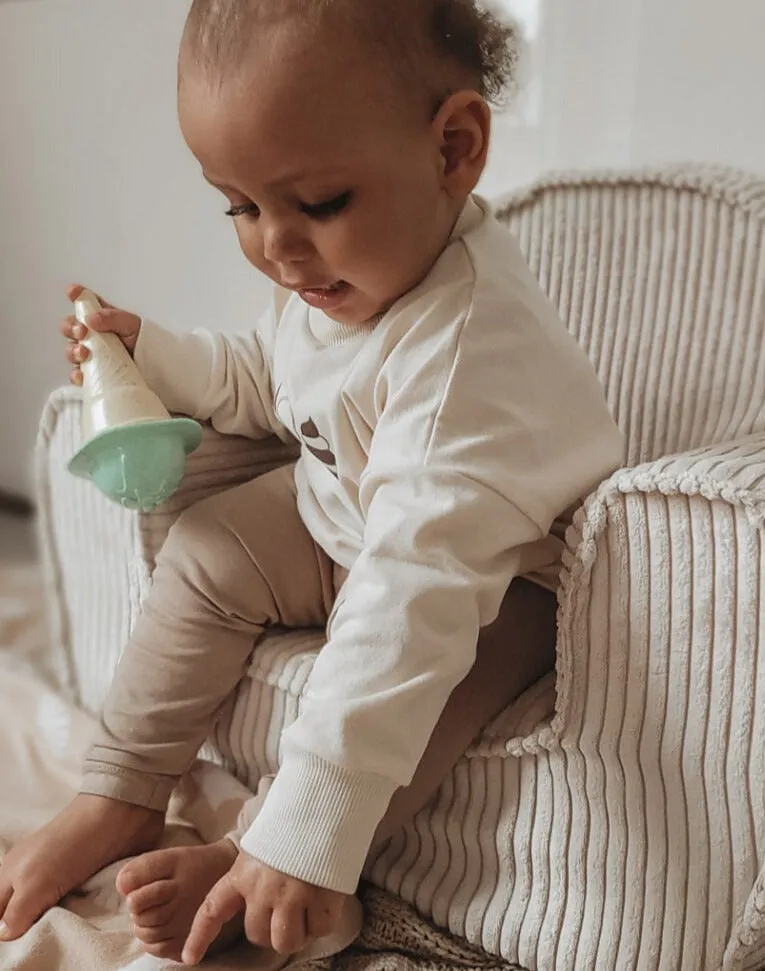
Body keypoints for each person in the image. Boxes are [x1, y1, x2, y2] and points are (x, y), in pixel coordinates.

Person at [0, 0, 624, 964]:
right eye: (240, 206)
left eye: (318, 204)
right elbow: (263, 376)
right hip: (350, 523)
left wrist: (302, 834)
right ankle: (120, 792)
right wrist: (150, 354)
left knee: (420, 692)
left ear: (453, 149)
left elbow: (410, 599)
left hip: (494, 584)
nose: (275, 248)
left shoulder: (467, 357)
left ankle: (288, 874)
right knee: (212, 544)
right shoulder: (344, 275)